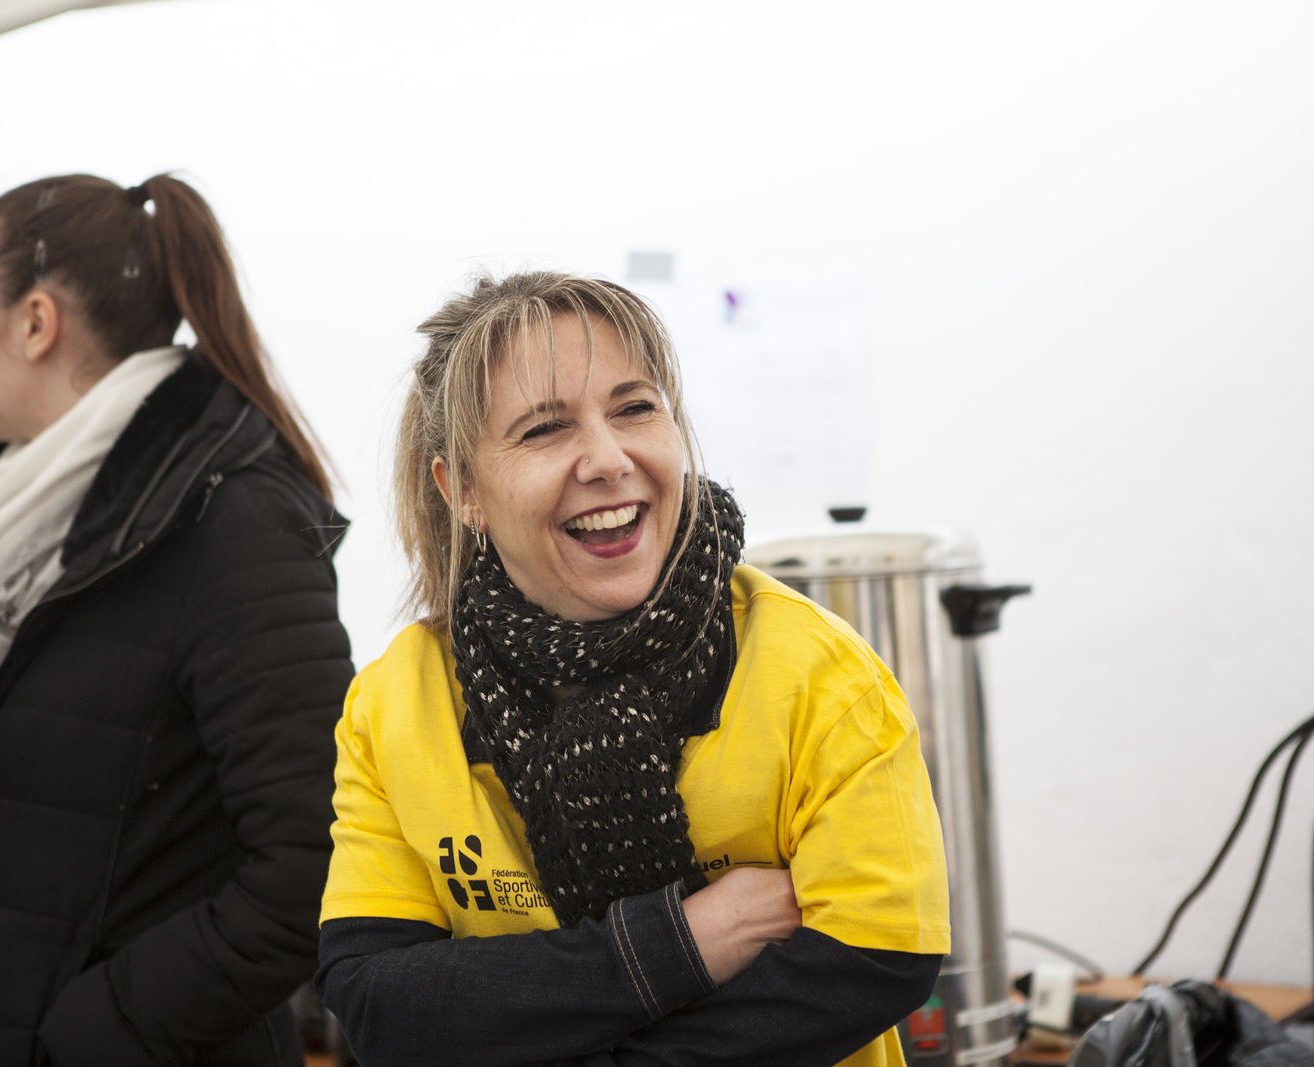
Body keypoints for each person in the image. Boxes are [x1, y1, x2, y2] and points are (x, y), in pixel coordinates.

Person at [316, 272, 950, 1065]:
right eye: (545, 428)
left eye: (635, 408)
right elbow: (379, 1001)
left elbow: (876, 961)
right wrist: (682, 942)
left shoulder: (817, 672)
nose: (608, 458)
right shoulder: (394, 705)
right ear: (463, 489)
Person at [0, 174, 354, 1067]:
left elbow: (316, 867)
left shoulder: (232, 521)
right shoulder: (23, 539)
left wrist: (82, 1038)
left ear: (36, 323)